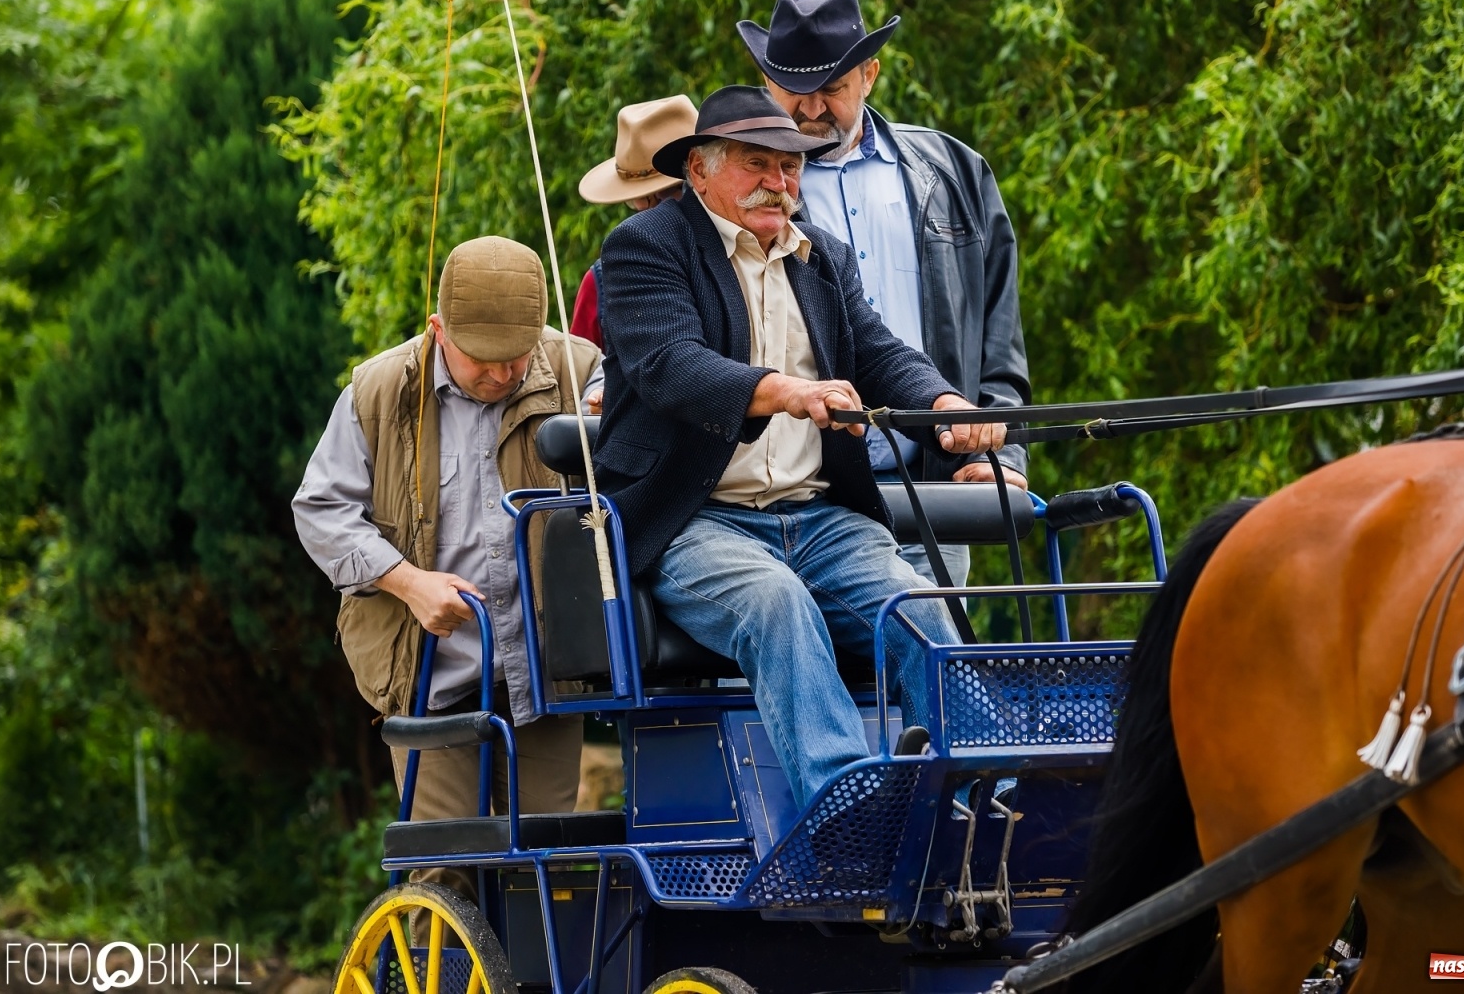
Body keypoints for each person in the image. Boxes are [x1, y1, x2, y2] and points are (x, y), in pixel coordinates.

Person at [593, 86, 1007, 807]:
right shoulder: (645, 248)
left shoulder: (822, 258)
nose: (780, 185)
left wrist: (944, 403)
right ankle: (850, 808)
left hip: (820, 520)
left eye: (791, 169)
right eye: (758, 164)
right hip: (698, 521)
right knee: (775, 605)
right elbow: (671, 365)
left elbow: (880, 354)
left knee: (920, 608)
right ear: (698, 170)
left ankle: (981, 803)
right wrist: (786, 391)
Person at [293, 235, 603, 908]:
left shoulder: (581, 371)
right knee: (443, 876)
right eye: (481, 360)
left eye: (516, 358)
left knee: (545, 876)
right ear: (438, 330)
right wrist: (407, 582)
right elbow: (320, 512)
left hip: (545, 673)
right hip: (432, 672)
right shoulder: (379, 390)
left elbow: (632, 478)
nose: (500, 373)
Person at [738, 0, 1030, 586]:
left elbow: (996, 337)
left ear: (870, 75)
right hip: (798, 501)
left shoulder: (954, 172)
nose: (813, 109)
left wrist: (999, 449)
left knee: (932, 663)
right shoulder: (742, 189)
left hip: (934, 487)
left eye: (834, 89)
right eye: (796, 91)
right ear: (766, 84)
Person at [571, 94, 698, 352]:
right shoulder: (599, 281)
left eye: (678, 192)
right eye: (638, 200)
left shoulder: (756, 251)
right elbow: (582, 369)